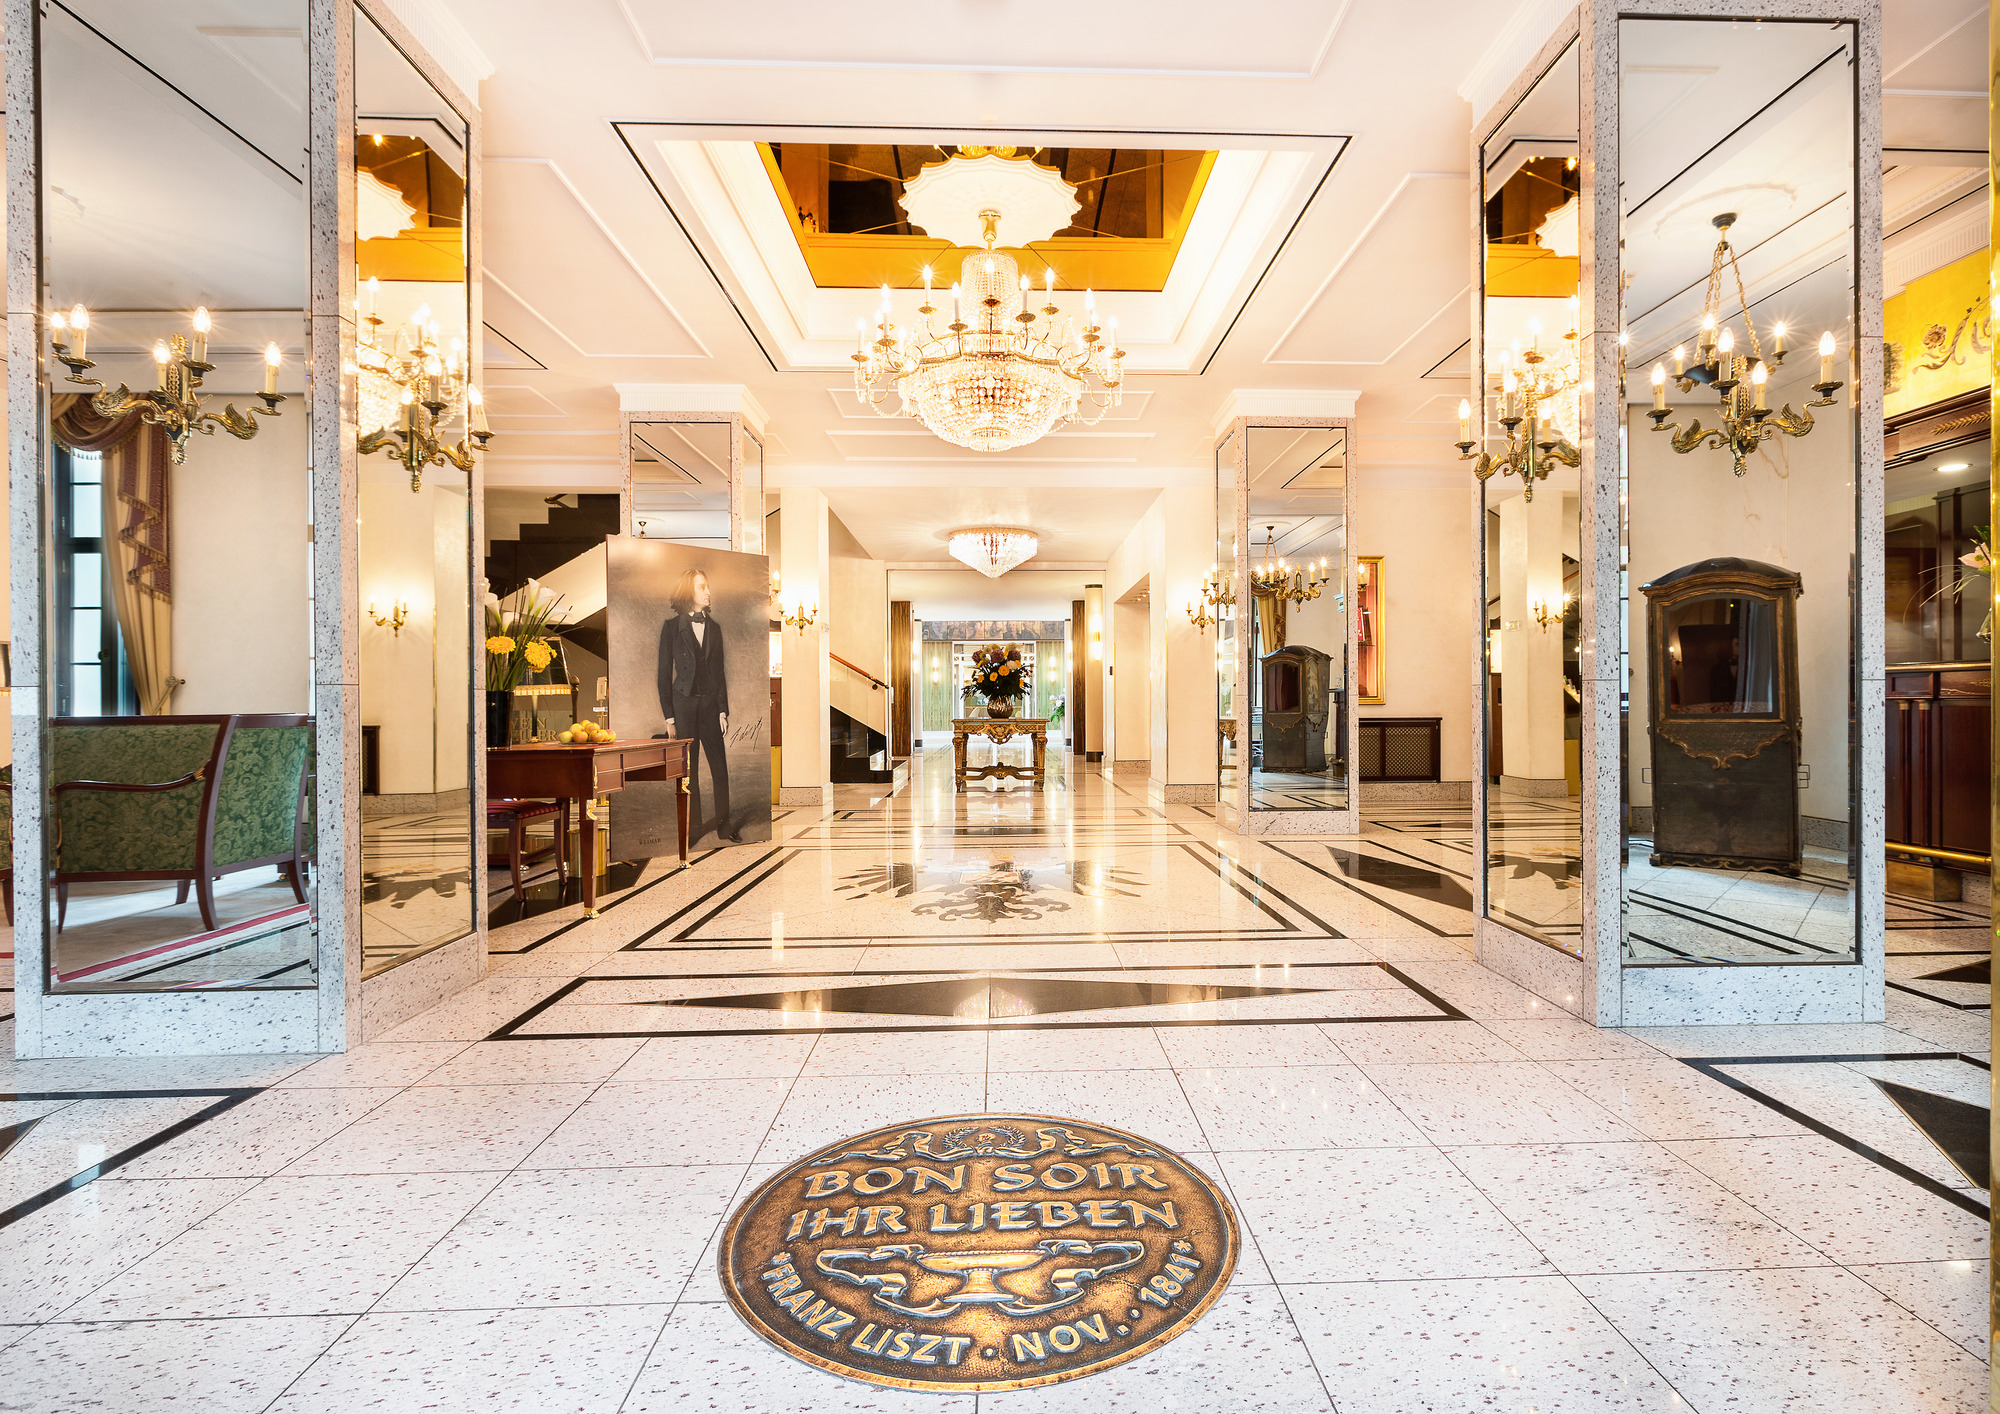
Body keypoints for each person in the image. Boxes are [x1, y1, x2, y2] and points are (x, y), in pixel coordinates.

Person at [658, 568, 740, 843]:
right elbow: (662, 674)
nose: (708, 591)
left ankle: (724, 826)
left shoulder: (714, 628)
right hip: (682, 707)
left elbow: (719, 673)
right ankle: (692, 829)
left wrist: (722, 710)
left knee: (719, 768)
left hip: (709, 707)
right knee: (688, 772)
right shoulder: (671, 628)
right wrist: (670, 718)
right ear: (689, 592)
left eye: (708, 586)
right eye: (702, 587)